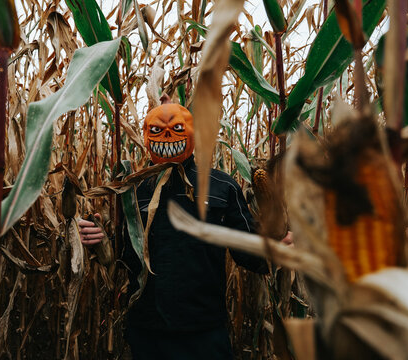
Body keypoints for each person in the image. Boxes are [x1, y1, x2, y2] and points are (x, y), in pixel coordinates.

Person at [79, 99, 292, 359]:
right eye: (156, 130)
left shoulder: (221, 186)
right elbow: (126, 253)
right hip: (148, 327)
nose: (167, 137)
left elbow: (247, 250)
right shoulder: (132, 190)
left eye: (177, 129)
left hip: (205, 329)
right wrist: (100, 240)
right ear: (145, 136)